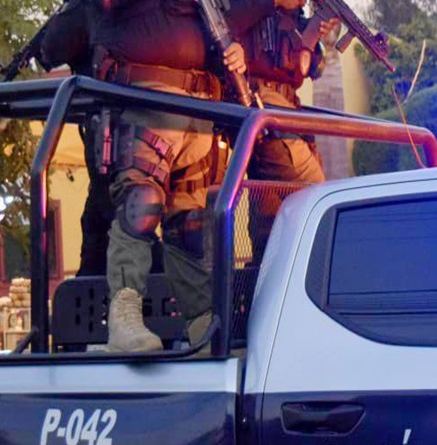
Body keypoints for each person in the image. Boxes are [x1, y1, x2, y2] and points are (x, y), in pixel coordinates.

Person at [91, 0, 301, 352]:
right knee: (142, 203)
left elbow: (225, 22)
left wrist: (234, 50)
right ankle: (124, 318)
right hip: (148, 97)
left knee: (193, 225)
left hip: (200, 106)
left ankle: (203, 323)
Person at [36, 0, 165, 278]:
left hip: (117, 135)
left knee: (112, 221)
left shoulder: (94, 9)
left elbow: (52, 49)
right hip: (164, 125)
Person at [238, 1, 337, 264]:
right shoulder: (255, 9)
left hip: (286, 109)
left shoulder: (293, 17)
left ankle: (261, 282)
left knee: (271, 225)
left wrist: (313, 33)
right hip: (261, 103)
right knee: (314, 199)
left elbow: (307, 68)